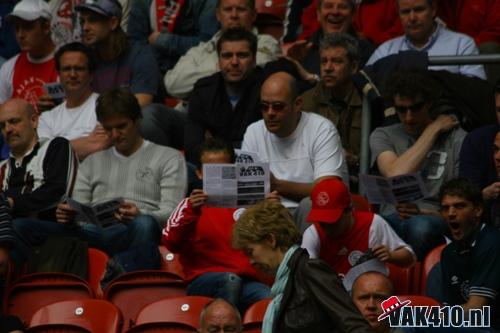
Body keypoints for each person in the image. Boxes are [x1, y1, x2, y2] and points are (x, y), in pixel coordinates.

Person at [55, 88, 187, 272]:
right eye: (108, 129)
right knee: (24, 227)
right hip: (97, 232)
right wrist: (69, 216)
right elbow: (80, 212)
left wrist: (140, 213)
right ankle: (119, 265)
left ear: (137, 120)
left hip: (138, 229)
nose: (115, 135)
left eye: (121, 126)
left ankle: (121, 271)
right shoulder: (92, 162)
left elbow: (173, 214)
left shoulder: (169, 157)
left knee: (144, 224)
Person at [232, 200, 373, 332]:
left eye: (250, 252)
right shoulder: (286, 282)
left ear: (271, 240)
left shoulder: (310, 270)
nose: (250, 261)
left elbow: (355, 326)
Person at [163, 138, 270, 312]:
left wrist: (272, 211)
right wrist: (192, 211)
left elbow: (272, 242)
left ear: (235, 170)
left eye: (224, 169)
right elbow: (171, 243)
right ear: (199, 173)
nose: (219, 175)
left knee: (268, 298)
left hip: (246, 281)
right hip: (203, 281)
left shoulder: (249, 203)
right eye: (211, 170)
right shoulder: (188, 206)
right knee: (229, 281)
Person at [370, 70, 466, 260]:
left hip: (435, 216)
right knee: (369, 226)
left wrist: (422, 211)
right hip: (391, 217)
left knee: (420, 227)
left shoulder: (457, 138)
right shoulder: (383, 134)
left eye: (416, 108)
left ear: (429, 103)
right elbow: (395, 175)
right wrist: (433, 129)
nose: (408, 117)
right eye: (401, 110)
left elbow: (463, 202)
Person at [241, 71, 348, 209]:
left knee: (307, 205)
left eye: (278, 106)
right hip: (269, 213)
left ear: (297, 104)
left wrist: (275, 185)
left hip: (313, 214)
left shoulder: (321, 129)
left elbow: (326, 192)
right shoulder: (254, 132)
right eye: (264, 106)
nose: (270, 113)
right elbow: (246, 192)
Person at [164, 0, 280, 99]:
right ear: (218, 15)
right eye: (228, 9)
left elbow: (256, 70)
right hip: (195, 112)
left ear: (253, 15)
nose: (234, 15)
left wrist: (205, 72)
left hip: (244, 113)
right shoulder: (201, 50)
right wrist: (221, 70)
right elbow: (173, 85)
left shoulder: (266, 42)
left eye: (241, 9)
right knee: (154, 113)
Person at [302, 178, 415, 277]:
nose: (326, 228)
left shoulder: (373, 224)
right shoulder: (313, 233)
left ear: (350, 210)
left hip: (368, 294)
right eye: (322, 222)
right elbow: (306, 276)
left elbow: (409, 258)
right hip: (330, 295)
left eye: (332, 222)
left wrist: (391, 256)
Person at [184, 28, 262, 163]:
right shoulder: (203, 90)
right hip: (213, 166)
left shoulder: (267, 87)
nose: (234, 62)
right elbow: (192, 148)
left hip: (256, 168)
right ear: (219, 60)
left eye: (242, 55)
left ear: (254, 60)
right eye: (227, 56)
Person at [366, 0, 486, 80]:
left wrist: (452, 116)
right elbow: (364, 84)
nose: (412, 18)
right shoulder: (386, 50)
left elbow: (475, 93)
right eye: (405, 12)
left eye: (419, 10)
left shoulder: (462, 45)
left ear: (433, 9)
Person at [438, 178, 500, 330]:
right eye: (445, 208)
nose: (451, 213)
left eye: (459, 206)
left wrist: (421, 318)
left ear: (478, 210)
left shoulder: (493, 243)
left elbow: (476, 308)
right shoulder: (448, 253)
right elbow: (449, 309)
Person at [301, 33, 363, 185]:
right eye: (323, 62)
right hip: (316, 179)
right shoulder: (305, 101)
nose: (328, 68)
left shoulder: (368, 101)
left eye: (337, 61)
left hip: (358, 181)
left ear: (353, 66)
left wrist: (353, 160)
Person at [37, 42, 110, 160]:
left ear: (91, 75)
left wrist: (55, 149)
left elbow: (100, 144)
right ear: (59, 75)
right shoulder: (47, 118)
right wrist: (86, 141)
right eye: (66, 69)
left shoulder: (106, 105)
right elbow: (42, 156)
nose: (72, 74)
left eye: (79, 69)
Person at [286, 0, 375, 75]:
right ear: (318, 14)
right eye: (328, 6)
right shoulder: (303, 51)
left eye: (342, 7)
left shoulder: (368, 54)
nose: (335, 12)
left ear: (353, 15)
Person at [127, 0, 219, 72]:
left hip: (192, 67)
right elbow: (135, 45)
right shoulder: (143, 2)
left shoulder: (206, 2)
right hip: (151, 67)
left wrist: (163, 41)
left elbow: (208, 44)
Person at [0, 0, 57, 111]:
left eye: (27, 27)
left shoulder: (67, 65)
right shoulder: (9, 68)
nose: (20, 35)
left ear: (46, 27)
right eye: (17, 28)